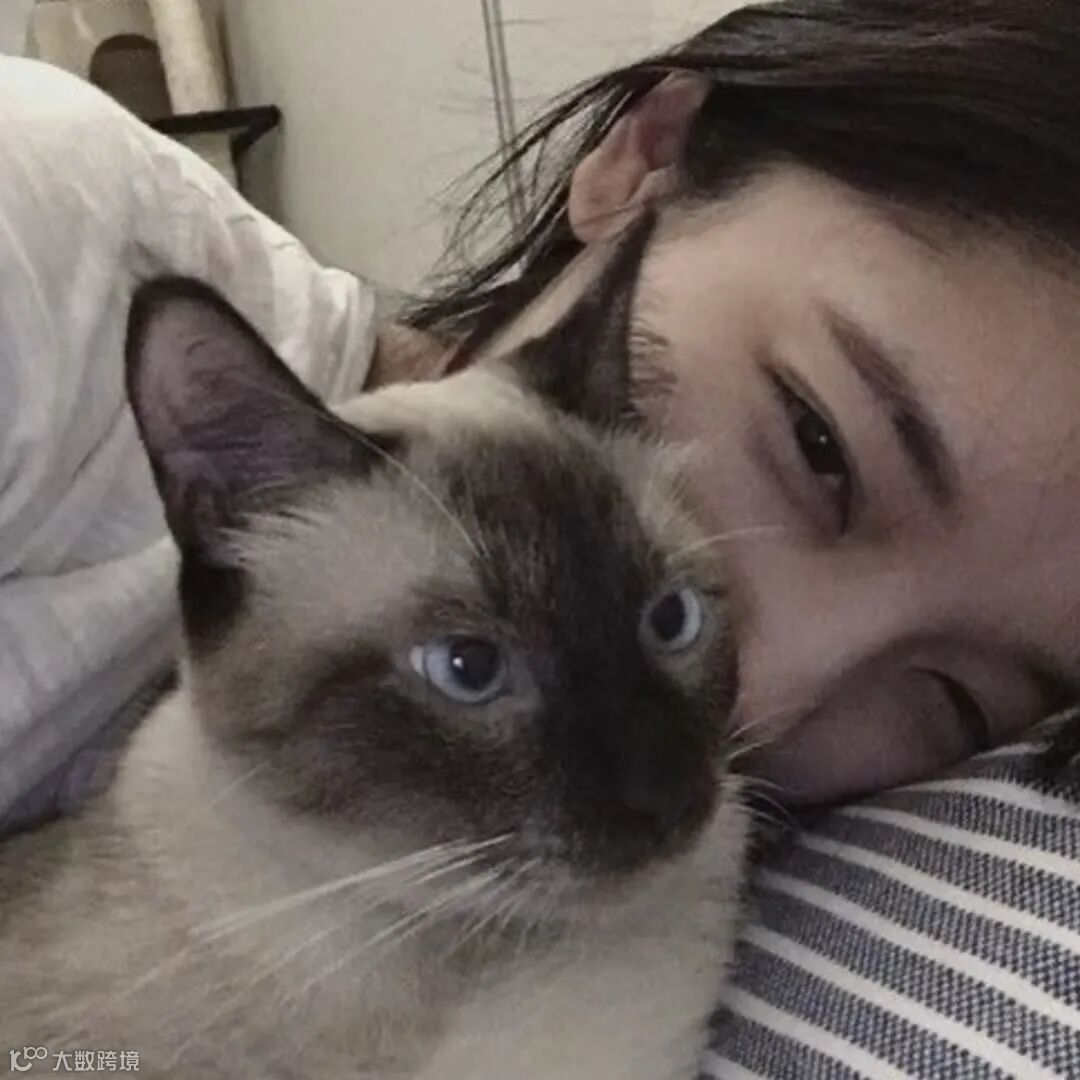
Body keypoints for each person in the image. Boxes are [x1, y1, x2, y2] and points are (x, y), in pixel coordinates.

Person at [3, 1, 1080, 1075]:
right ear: (645, 159)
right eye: (819, 445)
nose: (762, 700)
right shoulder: (45, 240)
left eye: (956, 701)